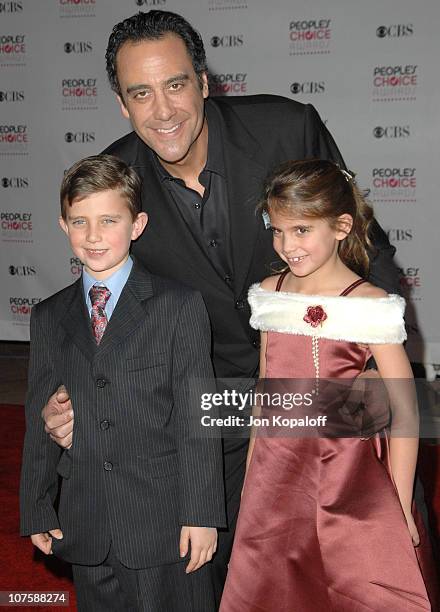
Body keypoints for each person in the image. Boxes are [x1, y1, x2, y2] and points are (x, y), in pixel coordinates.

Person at [40, 10, 400, 605]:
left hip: (320, 378)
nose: (163, 110)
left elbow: (367, 249)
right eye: (141, 93)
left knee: (366, 554)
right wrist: (72, 391)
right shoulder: (115, 181)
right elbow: (103, 307)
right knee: (210, 569)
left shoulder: (286, 129)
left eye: (176, 84)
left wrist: (367, 362)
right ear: (121, 104)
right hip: (213, 403)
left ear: (204, 82)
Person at [219, 159, 438, 612]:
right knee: (276, 585)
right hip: (278, 473)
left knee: (363, 583)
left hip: (352, 475)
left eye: (301, 230)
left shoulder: (371, 305)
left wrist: (399, 501)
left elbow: (405, 410)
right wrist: (250, 481)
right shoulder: (269, 292)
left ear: (341, 226)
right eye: (277, 231)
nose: (286, 245)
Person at [20, 154, 226, 612]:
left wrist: (202, 514)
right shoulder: (50, 316)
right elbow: (40, 417)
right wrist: (36, 504)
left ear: (137, 225)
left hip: (164, 519)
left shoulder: (178, 306)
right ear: (63, 224)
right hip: (86, 519)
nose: (93, 236)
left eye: (109, 220)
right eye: (80, 221)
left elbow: (198, 417)